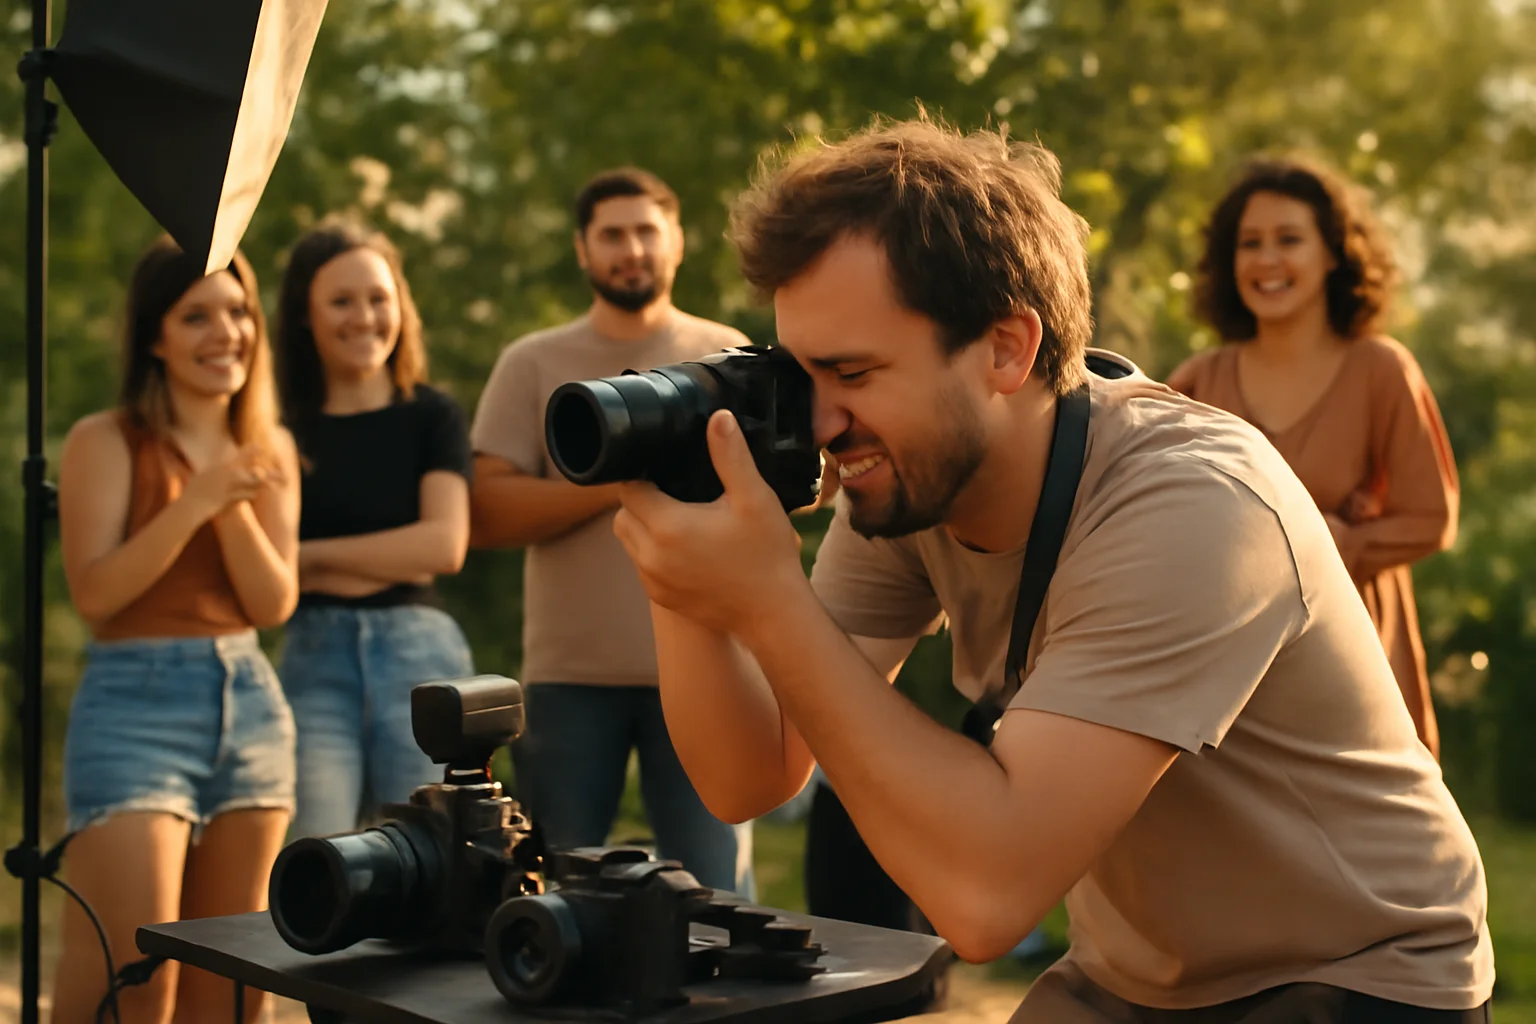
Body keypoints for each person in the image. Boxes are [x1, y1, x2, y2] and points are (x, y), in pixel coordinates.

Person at [608, 117, 1494, 1020]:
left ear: (1005, 348)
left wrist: (766, 601)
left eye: (855, 373)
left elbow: (984, 899)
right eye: (802, 377)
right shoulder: (911, 482)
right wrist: (681, 573)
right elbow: (750, 775)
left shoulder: (1192, 506)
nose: (822, 423)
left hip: (1359, 974)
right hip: (1137, 980)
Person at [468, 167, 755, 896]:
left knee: (715, 898)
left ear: (678, 242)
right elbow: (487, 513)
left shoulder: (728, 357)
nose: (632, 249)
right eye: (613, 235)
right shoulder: (531, 362)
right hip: (568, 684)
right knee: (558, 897)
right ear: (582, 250)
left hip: (711, 670)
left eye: (646, 231)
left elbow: (779, 495)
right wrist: (617, 477)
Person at [53, 236, 301, 1024]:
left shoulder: (270, 450)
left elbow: (272, 604)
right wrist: (197, 498)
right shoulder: (106, 439)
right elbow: (96, 592)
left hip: (251, 705)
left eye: (238, 312)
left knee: (233, 986)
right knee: (133, 975)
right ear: (156, 336)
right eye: (197, 316)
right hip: (135, 705)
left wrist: (229, 496)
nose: (225, 332)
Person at [1166, 155, 1458, 761]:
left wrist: (1336, 541)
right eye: (1250, 243)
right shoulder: (1199, 381)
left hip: (1354, 654)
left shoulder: (1380, 369)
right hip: (1233, 662)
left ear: (1333, 254)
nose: (1267, 259)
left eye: (1289, 240)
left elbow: (1432, 518)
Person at [273, 218, 476, 839]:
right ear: (306, 316)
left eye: (378, 298)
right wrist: (391, 552)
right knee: (319, 852)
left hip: (420, 654)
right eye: (341, 301)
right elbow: (263, 567)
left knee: (429, 857)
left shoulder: (432, 415)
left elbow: (442, 546)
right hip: (313, 655)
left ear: (400, 306)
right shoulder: (280, 429)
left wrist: (305, 556)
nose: (364, 317)